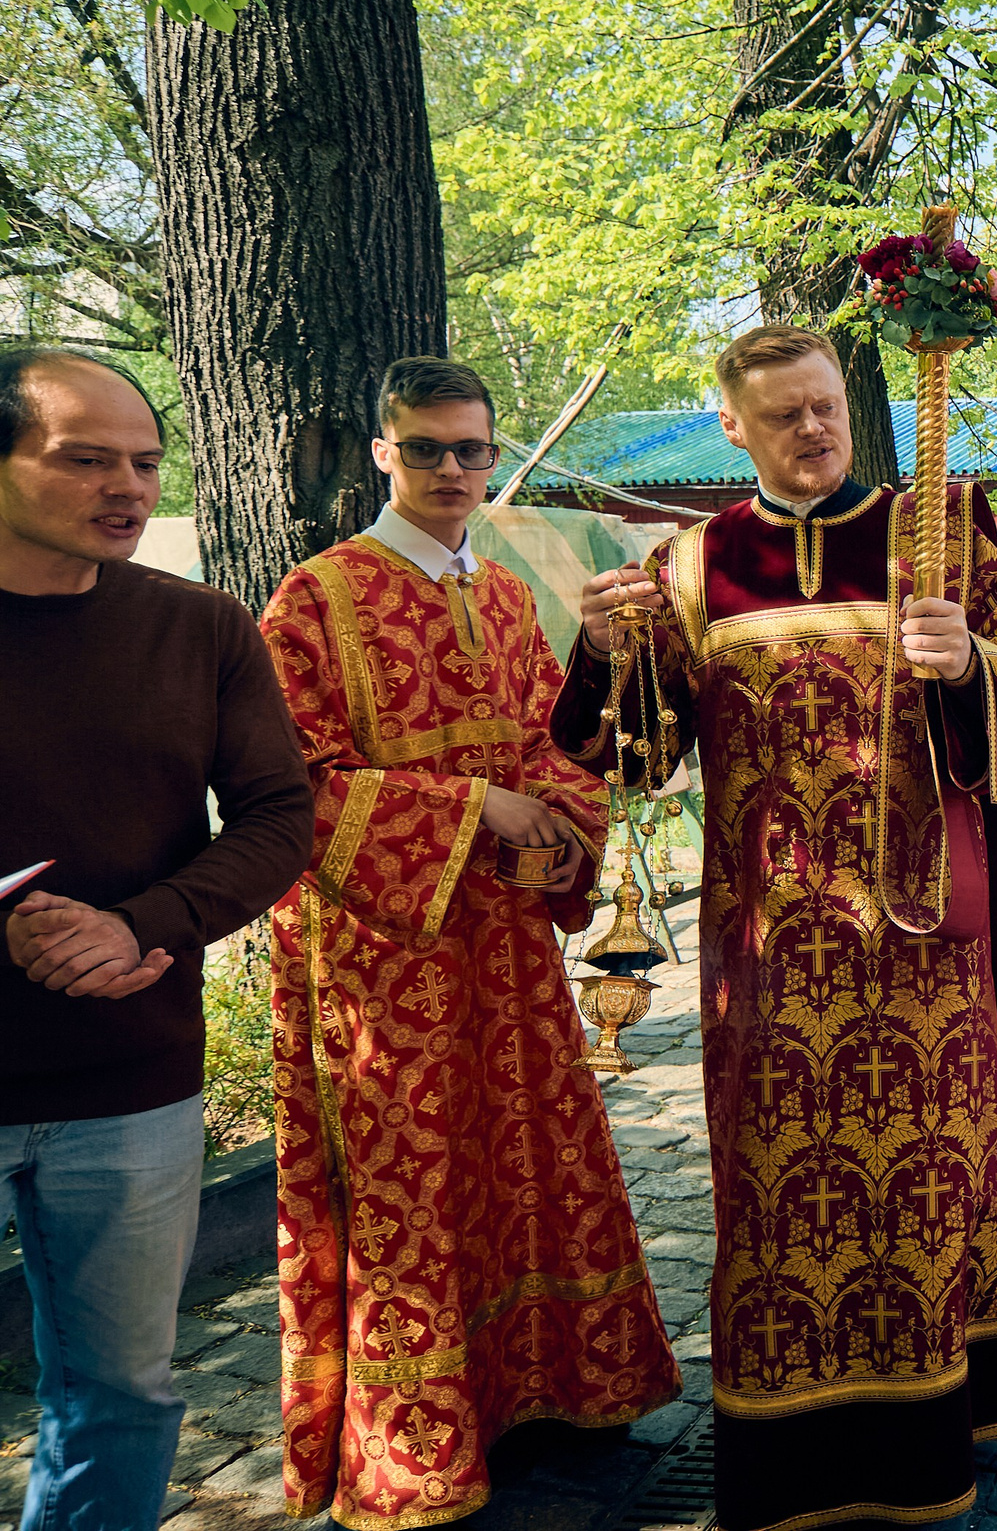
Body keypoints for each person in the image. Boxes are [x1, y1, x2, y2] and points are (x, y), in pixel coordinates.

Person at [555, 324, 997, 1530]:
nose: (813, 431)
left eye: (826, 406)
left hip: (917, 945)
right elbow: (630, 753)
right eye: (783, 415)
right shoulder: (693, 564)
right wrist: (600, 649)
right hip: (768, 957)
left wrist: (969, 663)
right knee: (784, 1205)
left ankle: (944, 1419)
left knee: (930, 1192)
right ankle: (798, 1454)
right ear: (733, 425)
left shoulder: (941, 532)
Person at [260, 357, 681, 1526]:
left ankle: (540, 1391)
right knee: (418, 1186)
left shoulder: (499, 594)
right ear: (382, 452)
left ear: (493, 455)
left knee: (530, 1162)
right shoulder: (317, 596)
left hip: (504, 942)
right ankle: (414, 1442)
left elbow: (551, 738)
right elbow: (289, 782)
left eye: (472, 450)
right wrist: (471, 812)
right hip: (380, 968)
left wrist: (561, 818)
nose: (453, 470)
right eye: (428, 448)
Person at [0, 347, 315, 1530]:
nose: (127, 486)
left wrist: (145, 923)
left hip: (133, 1082)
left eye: (143, 460)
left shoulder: (202, 626)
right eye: (85, 459)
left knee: (122, 1392)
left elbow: (283, 813)